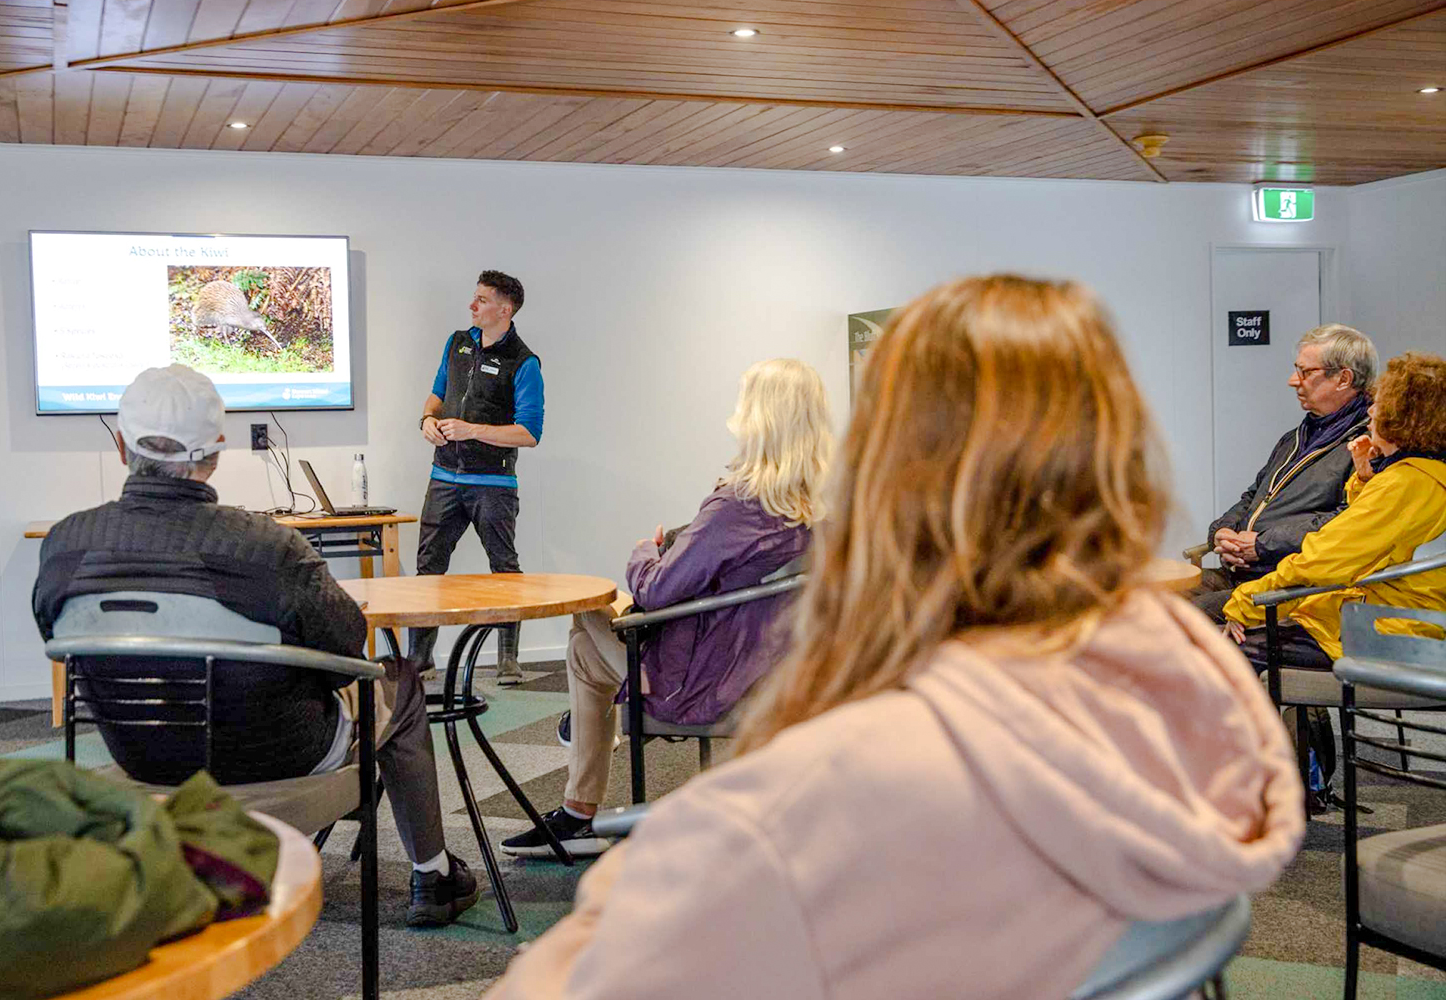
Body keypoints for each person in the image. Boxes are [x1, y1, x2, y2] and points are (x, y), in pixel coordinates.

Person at [484, 276, 1304, 1000]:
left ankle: (581, 758)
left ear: (898, 459)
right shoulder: (1196, 703)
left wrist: (648, 875)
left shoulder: (822, 800)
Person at [32, 364, 478, 928]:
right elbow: (347, 643)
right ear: (217, 452)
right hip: (278, 758)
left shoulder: (66, 545)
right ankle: (433, 875)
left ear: (121, 447)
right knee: (403, 682)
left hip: (139, 753)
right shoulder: (266, 546)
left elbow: (58, 636)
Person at [499, 358, 831, 859]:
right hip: (769, 675)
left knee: (592, 610)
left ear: (758, 420)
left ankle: (578, 808)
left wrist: (644, 548)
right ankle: (576, 805)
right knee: (587, 657)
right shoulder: (815, 510)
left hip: (703, 686)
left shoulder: (737, 505)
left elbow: (655, 588)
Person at [1223, 351, 1446, 672]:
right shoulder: (1425, 476)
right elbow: (1373, 547)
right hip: (1406, 622)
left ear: (1405, 415)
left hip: (1389, 631)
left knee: (1225, 652)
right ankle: (1301, 724)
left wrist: (1245, 600)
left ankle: (1288, 722)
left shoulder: (1406, 483)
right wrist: (1366, 479)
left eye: (1380, 403)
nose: (1370, 409)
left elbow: (1325, 559)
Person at [1192, 324, 1377, 621]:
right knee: (1145, 600)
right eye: (1296, 370)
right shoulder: (1296, 437)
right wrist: (1223, 532)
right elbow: (1253, 496)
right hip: (1244, 572)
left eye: (1306, 372)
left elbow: (1345, 524)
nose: (1293, 381)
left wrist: (1261, 546)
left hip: (1295, 588)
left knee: (1185, 618)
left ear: (1344, 378)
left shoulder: (1367, 447)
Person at [412, 270, 544, 685]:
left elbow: (529, 433)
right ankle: (421, 659)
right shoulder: (457, 344)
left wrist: (472, 430)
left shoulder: (524, 362)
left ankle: (508, 659)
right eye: (474, 297)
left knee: (504, 569)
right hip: (444, 478)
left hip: (494, 484)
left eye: (482, 300)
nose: (473, 305)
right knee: (428, 567)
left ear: (504, 310)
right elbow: (436, 394)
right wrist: (427, 420)